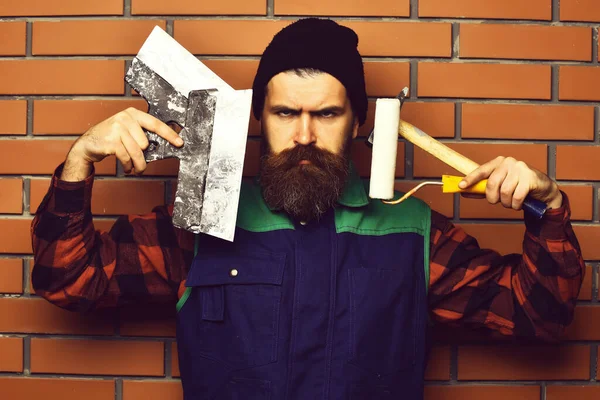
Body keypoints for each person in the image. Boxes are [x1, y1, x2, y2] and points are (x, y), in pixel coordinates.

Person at [31, 18, 585, 400]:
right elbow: (70, 282)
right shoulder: (200, 223)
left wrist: (548, 208)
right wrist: (80, 160)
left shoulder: (412, 232)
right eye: (284, 113)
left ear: (359, 123)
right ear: (259, 120)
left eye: (325, 114)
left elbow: (541, 316)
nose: (302, 135)